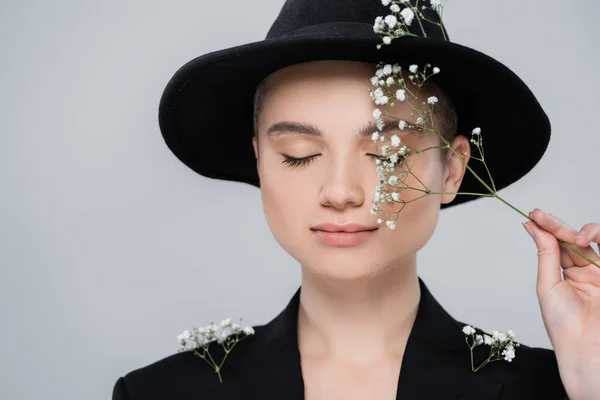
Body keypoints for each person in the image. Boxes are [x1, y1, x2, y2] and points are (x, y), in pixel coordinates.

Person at [112, 1, 600, 399]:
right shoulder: (159, 393)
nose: (341, 192)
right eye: (299, 155)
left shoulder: (556, 388)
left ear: (452, 170)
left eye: (386, 156)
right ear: (260, 159)